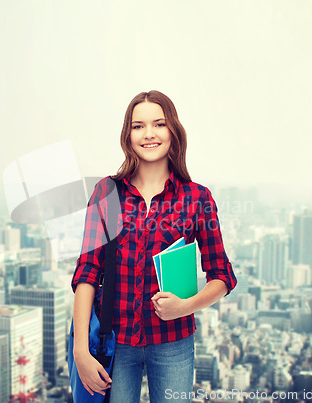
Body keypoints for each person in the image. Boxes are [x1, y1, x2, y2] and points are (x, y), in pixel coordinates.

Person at [71, 90, 237, 403]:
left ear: (173, 130)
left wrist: (184, 307)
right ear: (127, 135)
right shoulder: (106, 192)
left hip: (173, 341)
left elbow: (223, 275)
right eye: (138, 126)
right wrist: (81, 348)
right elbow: (88, 272)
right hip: (113, 341)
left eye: (158, 124)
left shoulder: (197, 198)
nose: (149, 134)